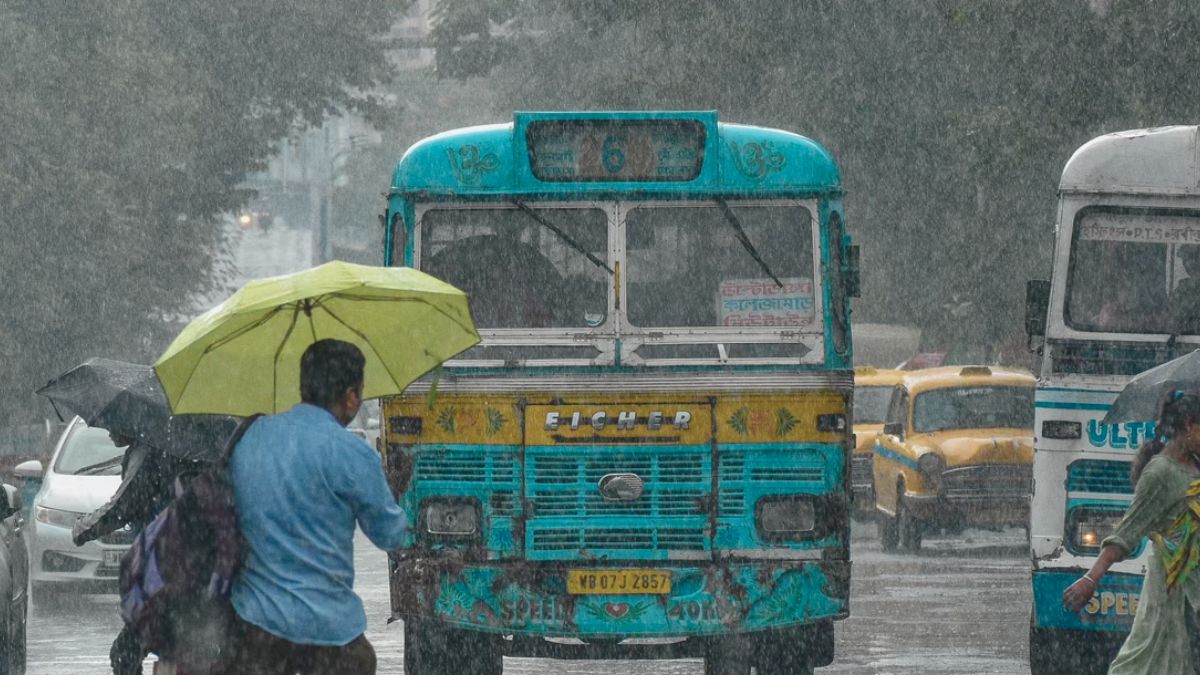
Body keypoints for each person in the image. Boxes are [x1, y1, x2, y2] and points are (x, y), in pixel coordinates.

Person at [221, 339, 408, 675]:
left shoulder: (250, 437)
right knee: (361, 660)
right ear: (351, 396)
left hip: (254, 629)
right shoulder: (352, 453)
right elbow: (391, 535)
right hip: (329, 634)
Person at [1063, 390, 1200, 674]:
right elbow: (1125, 534)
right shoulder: (1159, 473)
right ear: (1189, 425)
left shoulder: (1196, 466)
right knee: (1150, 659)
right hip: (1171, 591)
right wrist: (1091, 579)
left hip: (1194, 589)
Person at [73, 431, 195, 675]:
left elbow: (124, 504)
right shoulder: (174, 449)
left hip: (166, 568)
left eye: (112, 425)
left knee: (125, 653)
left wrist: (83, 528)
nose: (108, 432)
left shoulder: (149, 450)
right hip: (182, 566)